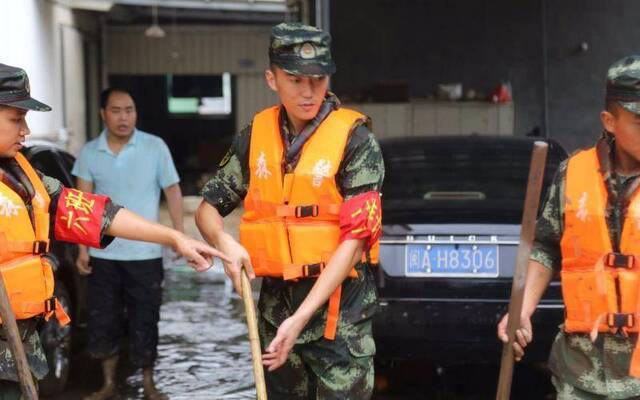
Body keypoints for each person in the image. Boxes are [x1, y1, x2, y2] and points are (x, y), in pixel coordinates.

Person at [0, 63, 226, 399]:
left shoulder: (25, 180)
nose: (26, 130)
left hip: (16, 349)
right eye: (16, 119)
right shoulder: (81, 156)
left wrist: (175, 237)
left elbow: (97, 214)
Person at [195, 22, 385, 399]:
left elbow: (356, 240)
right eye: (295, 79)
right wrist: (224, 244)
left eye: (318, 78)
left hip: (339, 318)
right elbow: (206, 210)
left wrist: (299, 321)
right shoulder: (256, 134)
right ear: (271, 78)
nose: (308, 91)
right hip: (274, 311)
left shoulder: (357, 140)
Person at [498, 55, 640, 399]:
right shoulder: (572, 173)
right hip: (581, 372)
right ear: (609, 121)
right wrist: (522, 310)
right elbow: (546, 245)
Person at [72, 87, 183, 400]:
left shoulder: (154, 147)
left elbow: (173, 192)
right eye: (117, 110)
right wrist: (82, 249)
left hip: (145, 255)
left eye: (130, 110)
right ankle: (108, 384)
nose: (124, 117)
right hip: (103, 254)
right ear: (103, 114)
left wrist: (178, 235)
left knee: (145, 317)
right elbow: (82, 204)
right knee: (103, 317)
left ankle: (148, 384)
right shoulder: (90, 152)